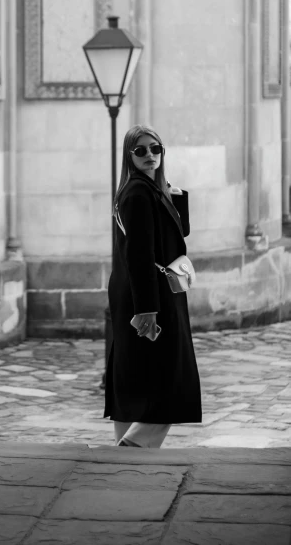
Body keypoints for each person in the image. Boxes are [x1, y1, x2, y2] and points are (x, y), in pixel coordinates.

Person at [103, 124, 202, 448]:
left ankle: (129, 452)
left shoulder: (148, 189)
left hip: (154, 290)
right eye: (141, 150)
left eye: (156, 149)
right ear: (129, 155)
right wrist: (147, 309)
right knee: (173, 376)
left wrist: (173, 195)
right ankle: (134, 445)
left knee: (136, 371)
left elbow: (178, 233)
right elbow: (139, 254)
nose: (150, 155)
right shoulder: (137, 194)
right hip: (151, 294)